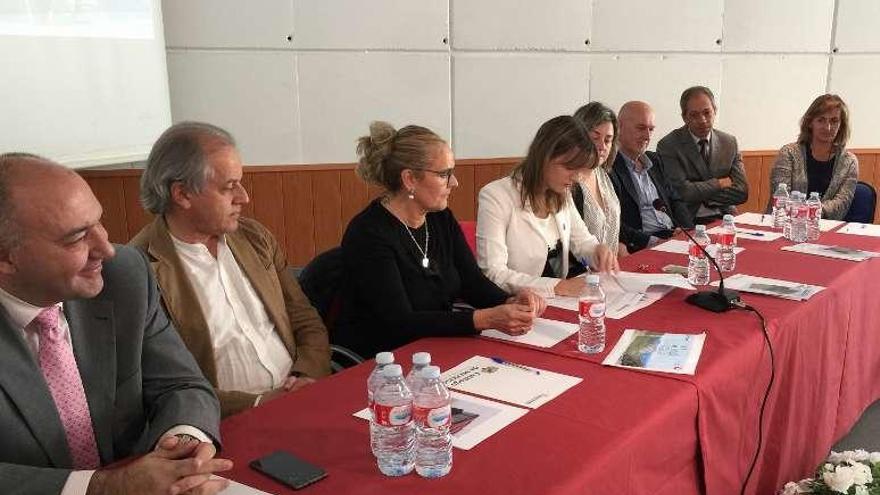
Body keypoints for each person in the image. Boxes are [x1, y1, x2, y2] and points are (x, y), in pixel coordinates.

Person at [0, 153, 230, 495]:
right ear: (6, 258)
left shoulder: (124, 276)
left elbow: (181, 385)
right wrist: (103, 487)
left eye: (99, 222)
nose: (106, 249)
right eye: (77, 237)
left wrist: (181, 448)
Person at [130, 122, 331, 418]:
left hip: (301, 399)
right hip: (222, 424)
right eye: (228, 187)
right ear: (183, 194)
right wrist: (260, 403)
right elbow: (162, 384)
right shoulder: (140, 269)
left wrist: (306, 378)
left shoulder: (254, 237)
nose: (244, 197)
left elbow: (304, 319)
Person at [334, 122, 544, 359]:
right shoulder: (368, 234)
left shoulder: (440, 218)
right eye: (445, 174)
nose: (454, 183)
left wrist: (510, 300)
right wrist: (486, 318)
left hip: (436, 347)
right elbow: (399, 323)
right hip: (383, 361)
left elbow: (472, 282)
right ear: (410, 179)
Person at [477, 115, 619, 298]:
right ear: (544, 156)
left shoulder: (562, 193)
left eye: (580, 170)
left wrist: (597, 251)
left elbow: (582, 242)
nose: (576, 178)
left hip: (557, 302)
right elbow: (493, 273)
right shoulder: (496, 196)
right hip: (516, 305)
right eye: (569, 168)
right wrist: (559, 286)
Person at [657, 86, 748, 224]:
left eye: (707, 112)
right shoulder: (669, 145)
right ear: (684, 117)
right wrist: (718, 183)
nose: (703, 120)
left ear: (715, 111)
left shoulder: (729, 142)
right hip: (689, 221)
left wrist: (701, 193)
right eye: (694, 115)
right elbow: (682, 192)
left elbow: (742, 192)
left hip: (724, 216)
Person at [610, 101, 693, 253]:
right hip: (641, 243)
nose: (647, 136)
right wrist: (654, 242)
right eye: (641, 128)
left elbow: (676, 200)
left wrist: (684, 230)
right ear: (618, 127)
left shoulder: (654, 160)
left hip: (671, 237)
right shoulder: (609, 167)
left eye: (651, 129)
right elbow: (614, 224)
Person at [766, 94, 858, 220]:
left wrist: (810, 211)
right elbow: (780, 198)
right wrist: (804, 212)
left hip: (825, 228)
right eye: (821, 120)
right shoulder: (789, 153)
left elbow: (841, 204)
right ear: (810, 122)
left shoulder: (849, 162)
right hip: (785, 224)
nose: (828, 127)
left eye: (834, 121)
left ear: (841, 125)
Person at [571, 102, 625, 262]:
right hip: (580, 277)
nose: (602, 146)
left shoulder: (608, 176)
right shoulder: (568, 183)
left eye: (608, 140)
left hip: (611, 272)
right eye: (595, 138)